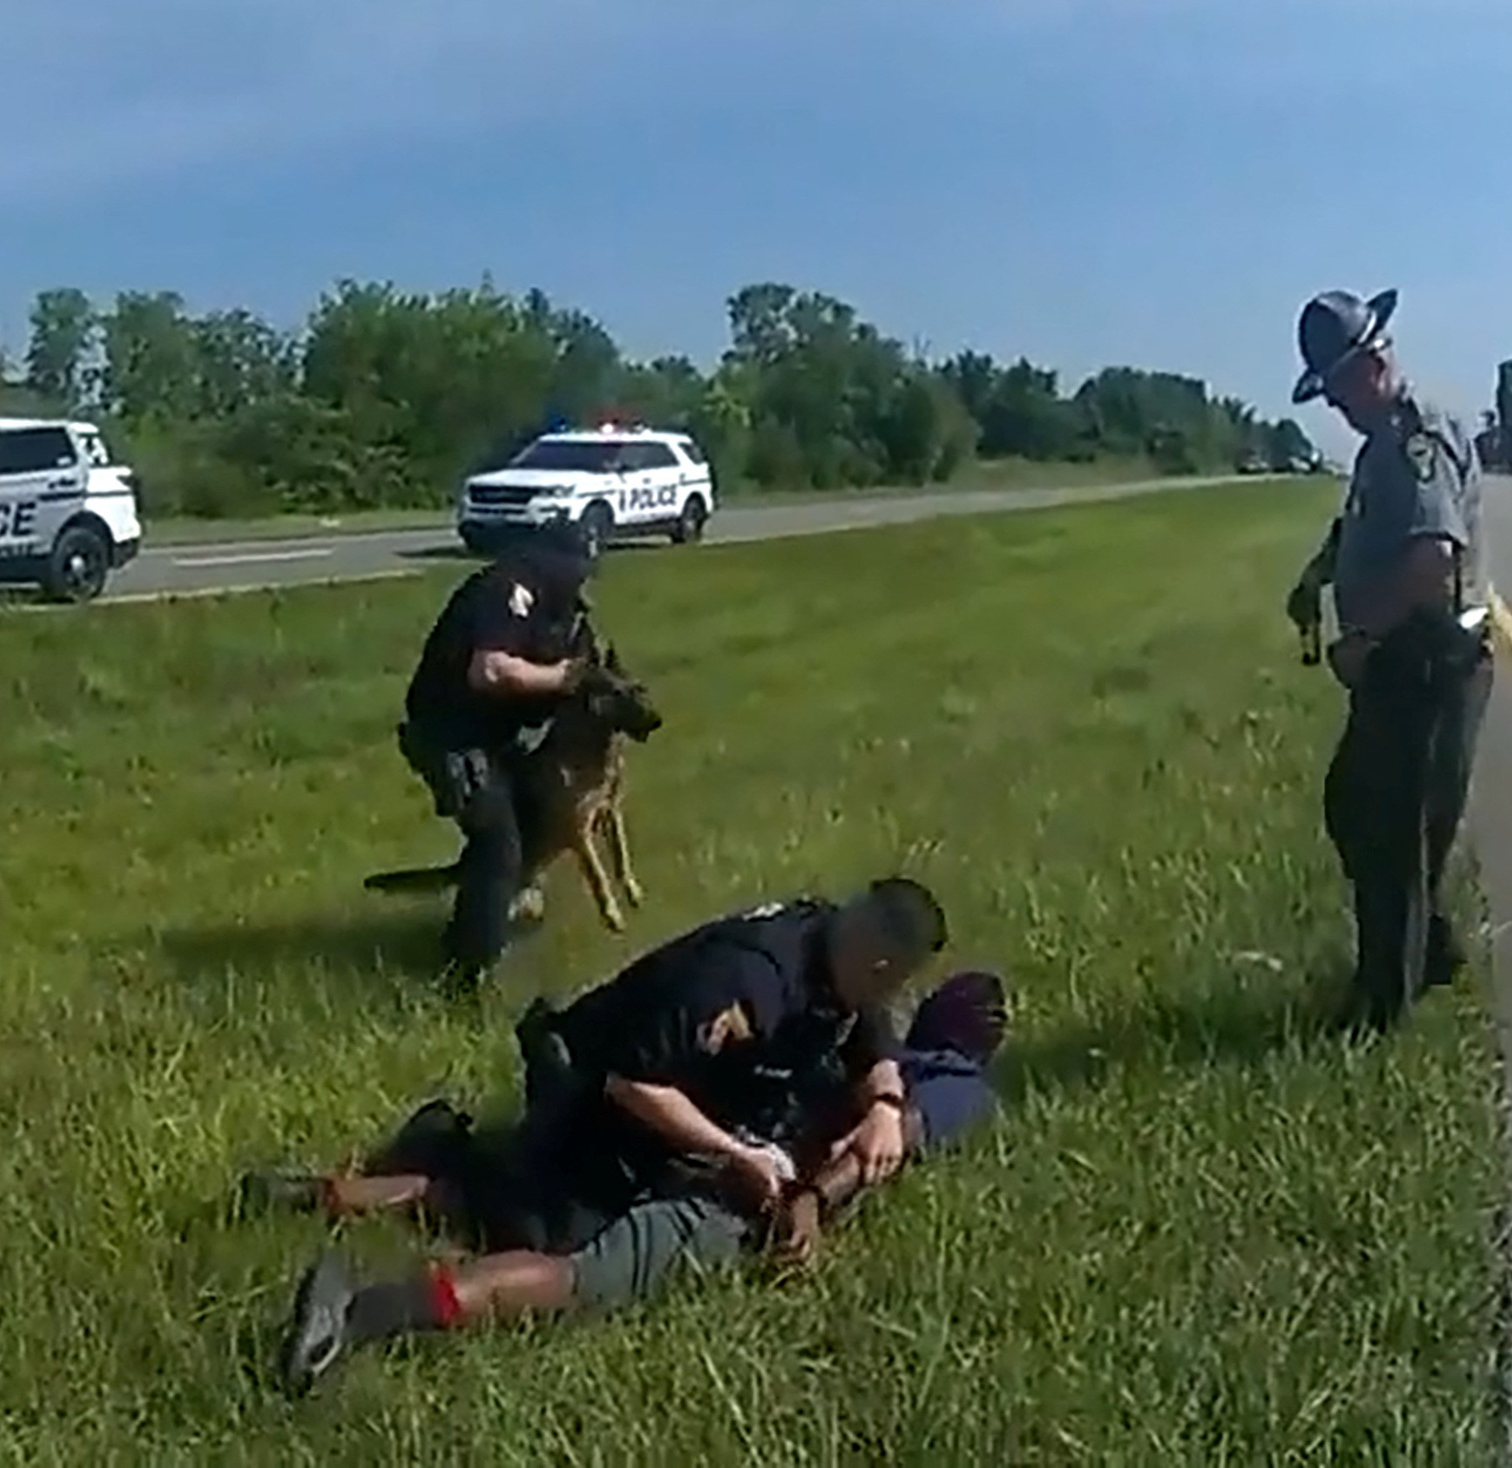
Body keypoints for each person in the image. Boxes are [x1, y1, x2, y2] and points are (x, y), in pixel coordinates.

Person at [253, 879, 987, 1395]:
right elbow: (634, 1085)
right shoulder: (753, 980)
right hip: (596, 1088)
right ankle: (359, 1314)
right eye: (896, 982)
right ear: (882, 963)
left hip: (629, 1087)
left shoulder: (828, 941)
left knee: (492, 1201)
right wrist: (739, 1157)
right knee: (568, 1260)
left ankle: (332, 1190)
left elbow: (864, 1024)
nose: (893, 1003)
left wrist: (886, 1097)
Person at [1283, 288, 1493, 1030]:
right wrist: (1316, 578)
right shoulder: (1379, 447)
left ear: (1373, 364)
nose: (1335, 405)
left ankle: (1382, 1003)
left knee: (1392, 832)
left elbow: (1431, 559)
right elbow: (1360, 529)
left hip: (1430, 661)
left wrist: (1364, 641)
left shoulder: (1415, 441)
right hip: (1400, 663)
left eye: (1340, 386)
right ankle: (1429, 948)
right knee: (1357, 807)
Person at [394, 518, 601, 991]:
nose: (579, 582)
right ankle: (463, 975)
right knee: (498, 846)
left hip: (497, 739)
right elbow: (489, 671)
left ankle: (492, 917)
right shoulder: (504, 590)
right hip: (450, 739)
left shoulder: (561, 612)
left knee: (541, 814)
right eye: (574, 572)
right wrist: (562, 678)